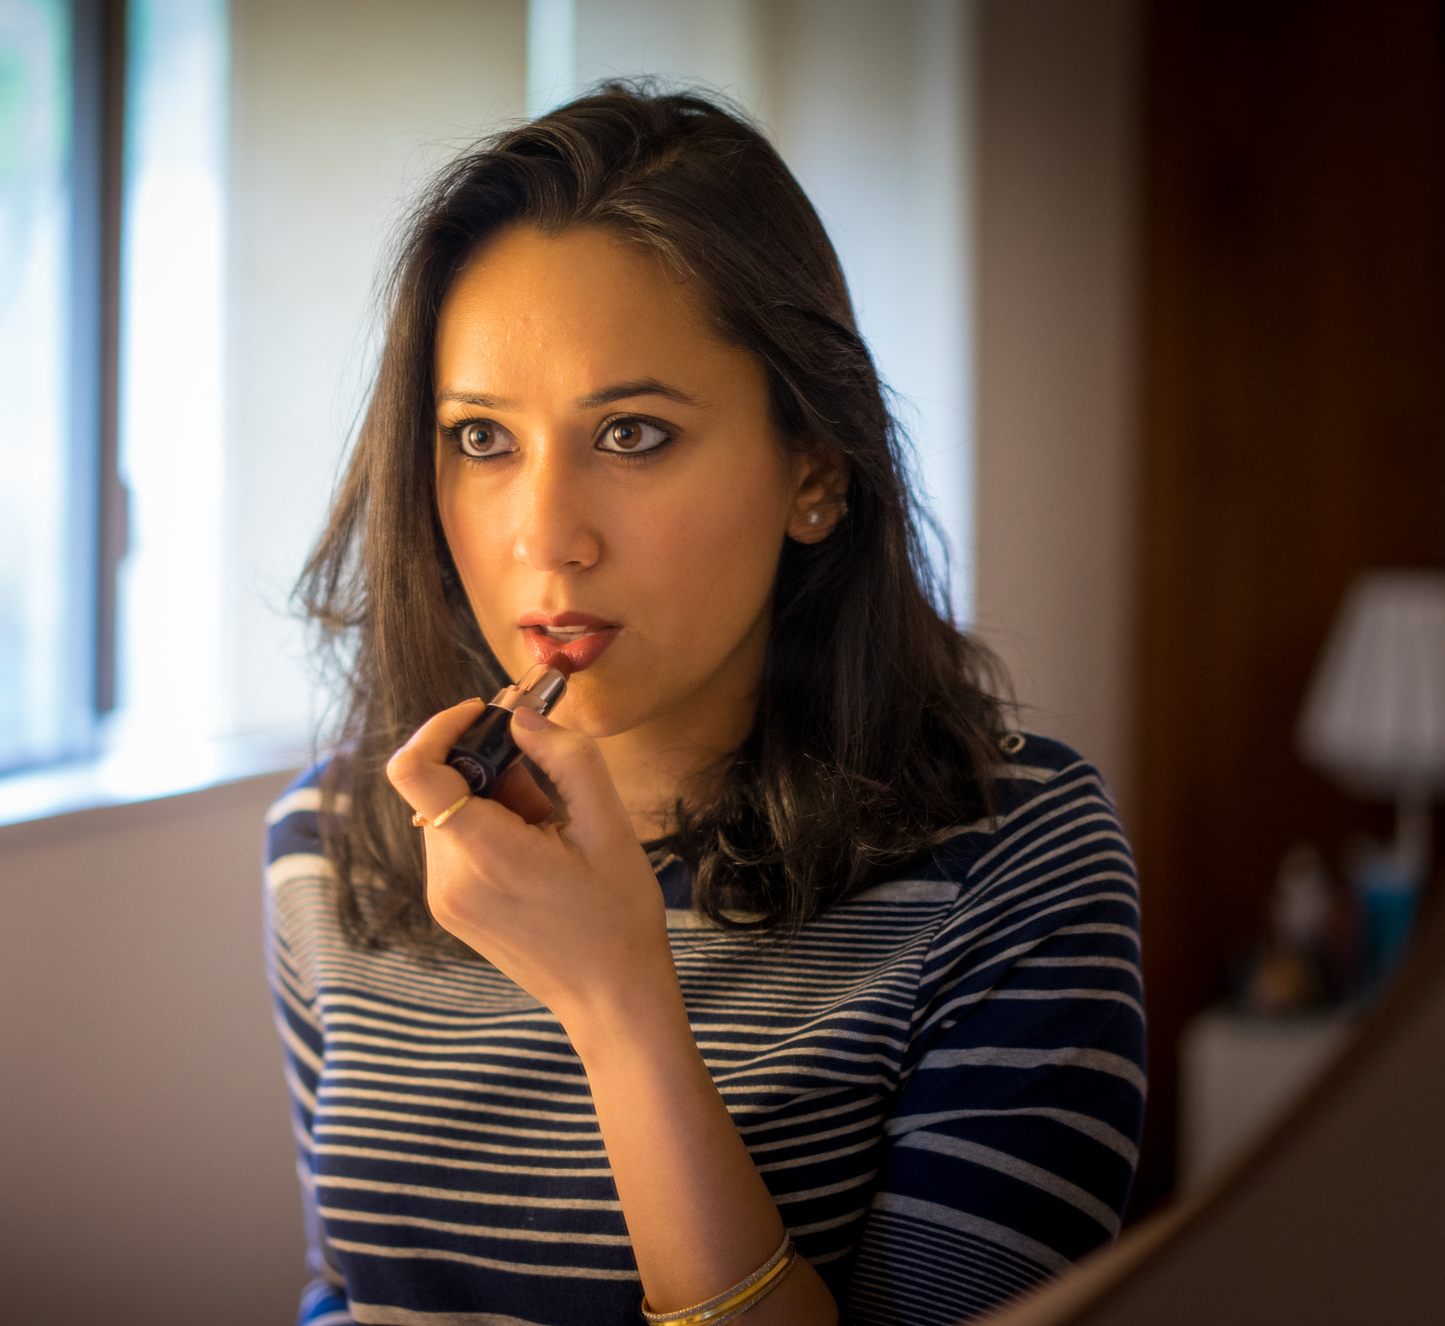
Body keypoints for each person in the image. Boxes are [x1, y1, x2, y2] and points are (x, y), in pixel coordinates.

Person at [266, 86, 1143, 1326]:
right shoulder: (334, 837)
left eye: (631, 434)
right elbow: (347, 1294)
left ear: (813, 472)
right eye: (480, 440)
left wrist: (617, 1004)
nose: (544, 540)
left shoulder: (1013, 855)